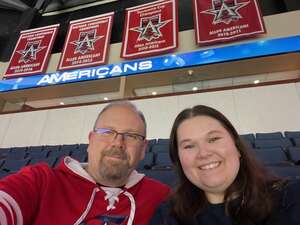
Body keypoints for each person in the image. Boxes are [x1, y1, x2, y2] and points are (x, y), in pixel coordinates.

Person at [0, 101, 170, 225]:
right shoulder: (40, 181)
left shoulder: (163, 197)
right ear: (90, 140)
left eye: (132, 136)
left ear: (143, 149)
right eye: (107, 132)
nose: (117, 143)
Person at [149, 105, 300, 225]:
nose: (204, 153)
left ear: (237, 147)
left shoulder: (291, 198)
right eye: (189, 146)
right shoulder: (166, 216)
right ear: (179, 161)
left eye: (213, 139)